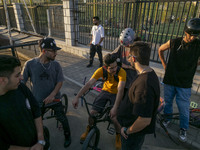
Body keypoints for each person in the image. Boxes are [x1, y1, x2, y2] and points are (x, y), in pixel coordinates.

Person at [22, 38, 71, 147]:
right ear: (44, 51)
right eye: (53, 51)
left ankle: (67, 135)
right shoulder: (29, 64)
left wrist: (52, 95)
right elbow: (22, 82)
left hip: (55, 98)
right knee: (36, 123)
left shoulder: (56, 65)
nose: (56, 53)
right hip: (38, 101)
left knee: (62, 118)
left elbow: (59, 82)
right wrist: (26, 98)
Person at [158, 18, 200, 142]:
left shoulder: (198, 45)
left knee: (183, 107)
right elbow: (160, 49)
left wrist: (195, 64)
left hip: (185, 83)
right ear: (186, 32)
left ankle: (183, 128)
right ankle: (167, 119)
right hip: (170, 79)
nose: (192, 38)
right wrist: (164, 64)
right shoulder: (175, 42)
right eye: (191, 35)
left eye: (196, 35)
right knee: (168, 102)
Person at [73, 54, 126, 149]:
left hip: (117, 93)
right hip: (105, 91)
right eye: (111, 68)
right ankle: (89, 128)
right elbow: (89, 83)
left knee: (114, 118)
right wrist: (77, 96)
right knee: (92, 113)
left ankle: (118, 135)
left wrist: (114, 108)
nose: (114, 69)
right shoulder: (101, 70)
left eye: (115, 66)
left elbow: (121, 89)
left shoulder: (121, 72)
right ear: (105, 67)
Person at [117, 42, 160, 150]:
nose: (128, 58)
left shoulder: (144, 85)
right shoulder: (147, 72)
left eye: (130, 56)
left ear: (134, 59)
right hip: (132, 128)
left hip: (132, 134)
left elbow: (144, 120)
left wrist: (127, 130)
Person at [0, 55, 45, 150]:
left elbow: (36, 110)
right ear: (2, 80)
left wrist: (40, 140)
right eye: (17, 75)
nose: (21, 77)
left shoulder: (20, 87)